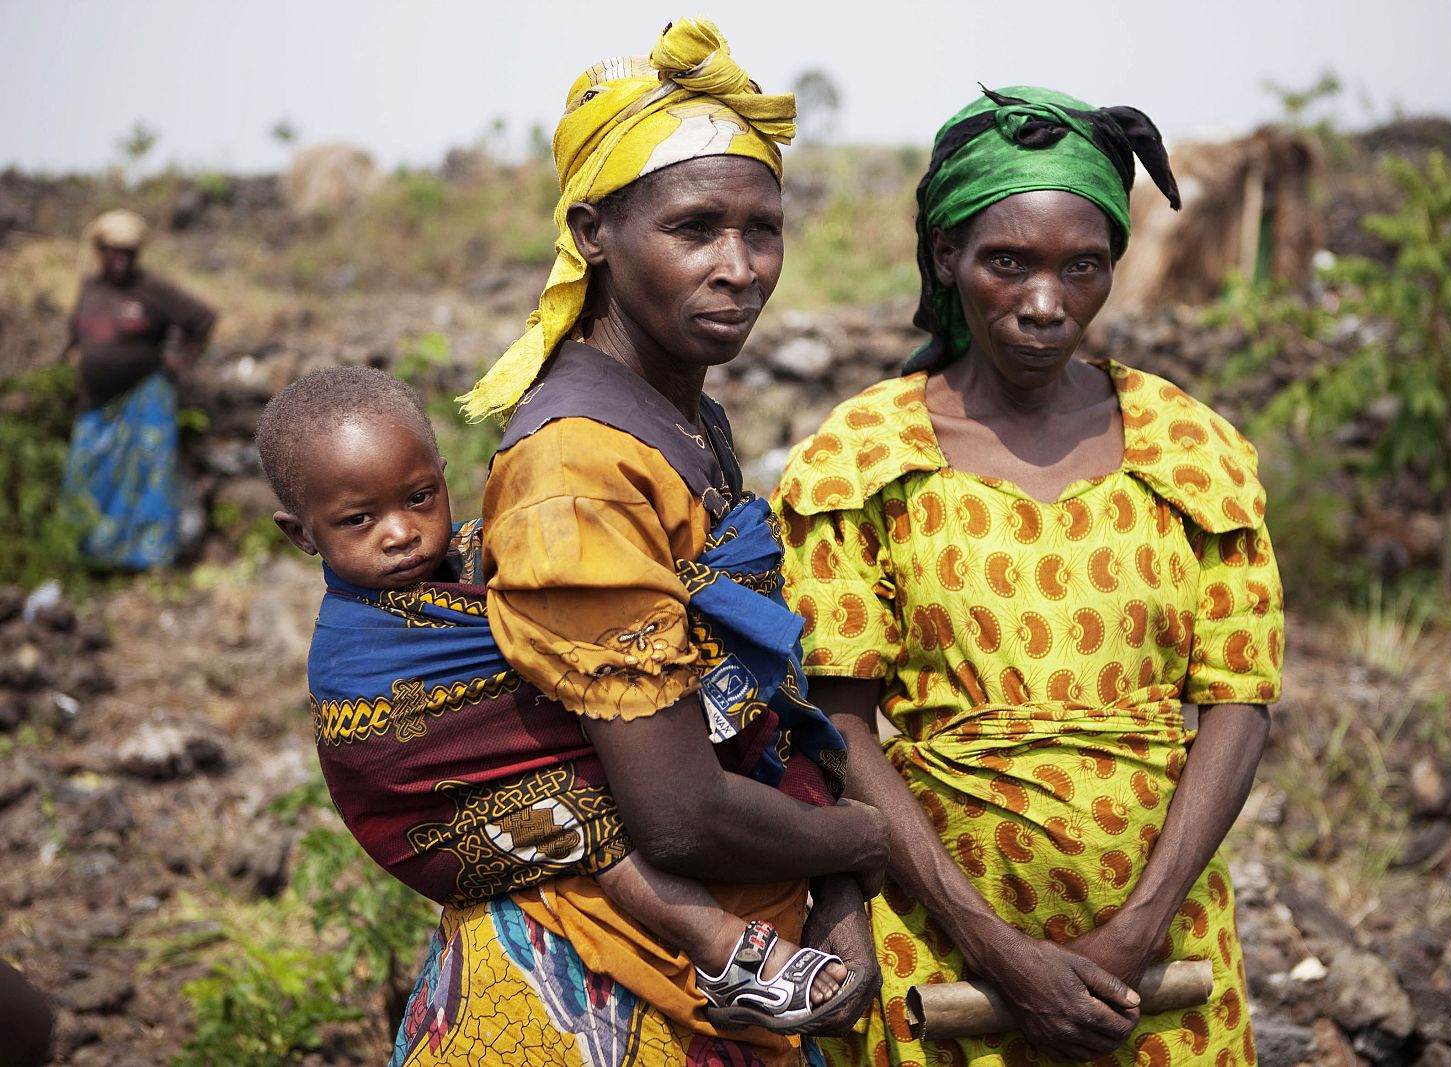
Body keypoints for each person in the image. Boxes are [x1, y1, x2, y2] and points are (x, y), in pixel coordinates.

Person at [386, 19, 888, 1066]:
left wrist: (831, 887)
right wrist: (869, 837)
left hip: (712, 971)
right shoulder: (578, 463)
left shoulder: (683, 419)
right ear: (592, 231)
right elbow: (676, 814)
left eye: (763, 230)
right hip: (597, 982)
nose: (740, 267)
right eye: (695, 228)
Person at [777, 86, 1284, 1066]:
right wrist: (994, 947)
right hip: (944, 950)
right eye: (1007, 262)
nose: (1045, 301)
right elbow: (835, 720)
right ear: (946, 258)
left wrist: (1138, 925)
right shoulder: (864, 456)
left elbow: (1237, 701)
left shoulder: (1191, 449)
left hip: (1157, 962)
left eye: (1081, 266)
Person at [255, 366, 858, 1035]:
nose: (399, 532)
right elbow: (386, 754)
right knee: (599, 827)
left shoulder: (484, 549)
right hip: (448, 809)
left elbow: (559, 622)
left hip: (550, 776)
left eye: (420, 497)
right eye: (359, 519)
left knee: (644, 776)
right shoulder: (357, 645)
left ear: (444, 474)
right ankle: (724, 949)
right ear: (301, 533)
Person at [60, 209, 215, 570]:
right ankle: (88, 557)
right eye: (113, 252)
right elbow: (76, 330)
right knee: (86, 473)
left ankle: (145, 559)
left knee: (146, 479)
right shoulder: (91, 287)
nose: (119, 261)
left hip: (142, 400)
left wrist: (180, 360)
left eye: (127, 253)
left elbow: (203, 319)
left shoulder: (151, 289)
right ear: (100, 251)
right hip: (94, 402)